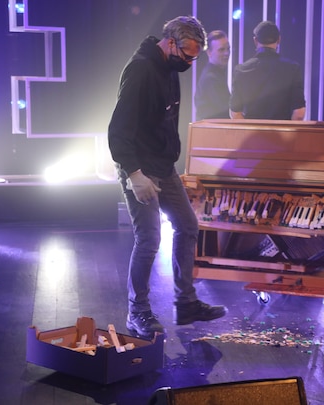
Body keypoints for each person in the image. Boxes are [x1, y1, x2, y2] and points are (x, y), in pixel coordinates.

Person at [107, 15, 227, 338]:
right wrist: (134, 174)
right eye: (187, 55)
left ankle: (186, 302)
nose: (189, 63)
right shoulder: (141, 69)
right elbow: (117, 131)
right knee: (149, 239)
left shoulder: (170, 67)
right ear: (171, 42)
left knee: (188, 225)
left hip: (164, 166)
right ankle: (137, 312)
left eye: (194, 58)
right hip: (140, 168)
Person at [229, 21, 306, 120]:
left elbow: (235, 113)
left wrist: (249, 129)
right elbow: (299, 113)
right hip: (281, 129)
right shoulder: (293, 69)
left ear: (255, 40)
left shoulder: (241, 70)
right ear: (279, 40)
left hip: (252, 130)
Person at [194, 30, 231, 120]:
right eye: (221, 50)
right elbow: (224, 112)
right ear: (209, 52)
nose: (226, 53)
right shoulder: (211, 78)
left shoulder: (215, 74)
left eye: (228, 48)